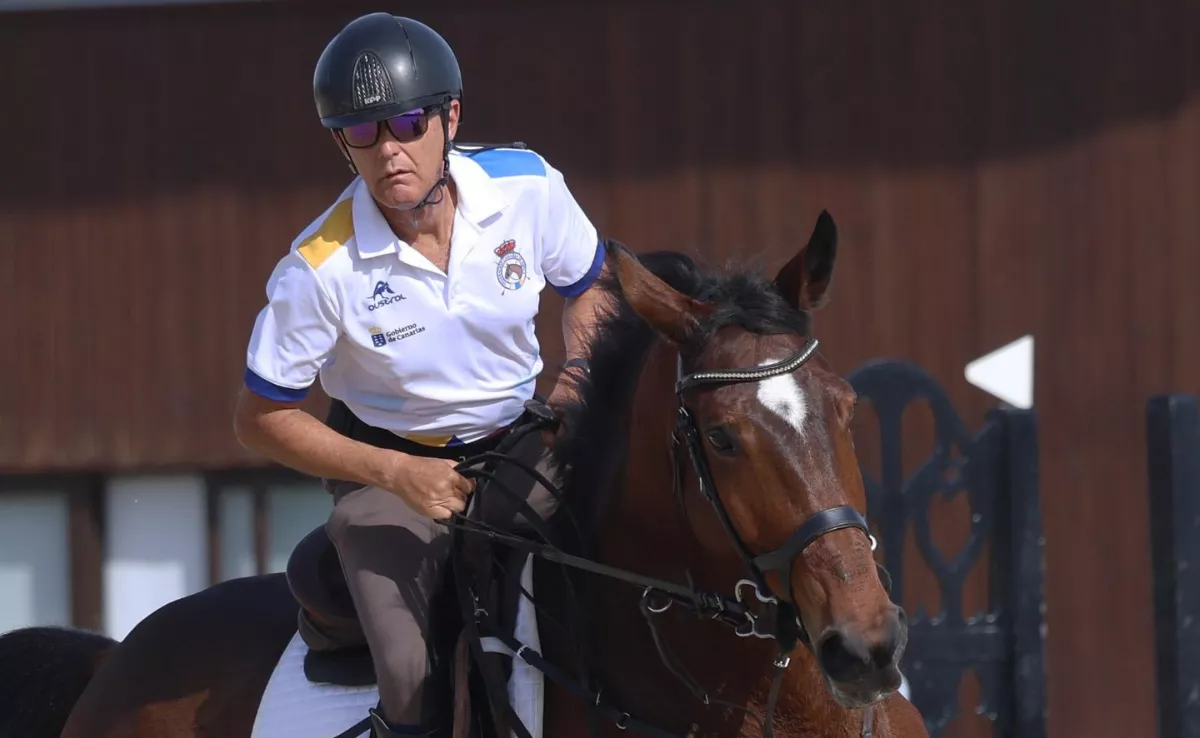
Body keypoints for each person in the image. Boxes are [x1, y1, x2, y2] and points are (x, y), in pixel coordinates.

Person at [232, 12, 612, 738]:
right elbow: (259, 419)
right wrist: (398, 474)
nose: (389, 151)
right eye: (362, 132)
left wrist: (576, 382)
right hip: (387, 473)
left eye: (408, 123)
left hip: (525, 442)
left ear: (450, 118)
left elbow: (593, 285)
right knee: (411, 677)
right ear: (342, 143)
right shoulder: (317, 268)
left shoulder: (528, 185)